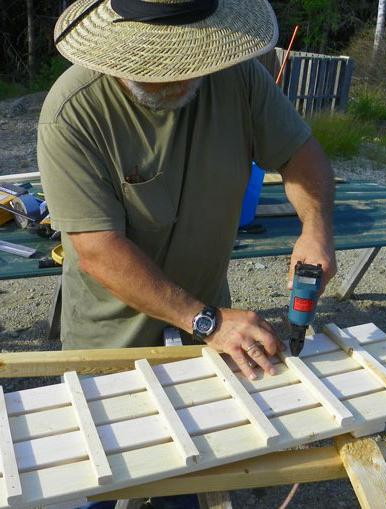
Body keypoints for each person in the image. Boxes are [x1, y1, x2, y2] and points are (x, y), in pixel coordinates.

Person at [38, 0, 337, 507]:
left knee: (189, 477)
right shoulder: (73, 112)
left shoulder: (237, 79)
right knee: (108, 476)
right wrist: (210, 323)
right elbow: (98, 250)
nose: (175, 80)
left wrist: (316, 228)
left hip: (206, 328)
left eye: (187, 65)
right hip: (113, 339)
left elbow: (300, 156)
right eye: (154, 71)